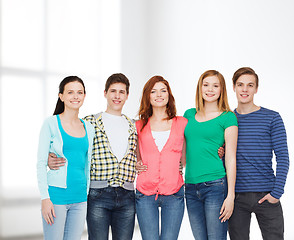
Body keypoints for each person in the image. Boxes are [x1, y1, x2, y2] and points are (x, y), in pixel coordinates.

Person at [48, 73, 137, 240]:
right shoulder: (90, 123)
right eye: (113, 91)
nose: (117, 96)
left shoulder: (134, 125)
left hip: (127, 196)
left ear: (127, 95)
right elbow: (70, 144)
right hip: (98, 195)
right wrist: (49, 157)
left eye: (121, 92)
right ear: (105, 93)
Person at [228, 67, 289, 240]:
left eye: (250, 85)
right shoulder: (227, 119)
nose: (245, 89)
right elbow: (225, 156)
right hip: (236, 197)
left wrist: (277, 192)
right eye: (240, 85)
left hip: (267, 194)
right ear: (233, 87)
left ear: (256, 88)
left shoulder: (272, 118)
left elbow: (283, 157)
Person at [37, 76, 95, 240]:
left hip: (80, 198)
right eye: (70, 92)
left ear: (84, 96)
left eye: (79, 92)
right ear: (61, 96)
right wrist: (45, 198)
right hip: (56, 196)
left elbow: (87, 163)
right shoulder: (50, 123)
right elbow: (41, 163)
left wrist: (86, 193)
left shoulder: (89, 128)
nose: (75, 96)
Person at [184, 70, 238, 240]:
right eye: (206, 85)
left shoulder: (228, 117)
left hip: (215, 185)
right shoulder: (188, 115)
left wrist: (230, 196)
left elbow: (230, 157)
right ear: (200, 88)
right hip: (190, 187)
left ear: (222, 90)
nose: (210, 89)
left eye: (215, 85)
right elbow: (180, 150)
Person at [135, 76, 187, 240]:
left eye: (163, 91)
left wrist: (220, 149)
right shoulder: (138, 125)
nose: (159, 95)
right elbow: (134, 154)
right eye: (153, 91)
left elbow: (194, 148)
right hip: (145, 193)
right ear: (148, 96)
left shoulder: (182, 123)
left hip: (174, 193)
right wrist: (136, 163)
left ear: (169, 95)